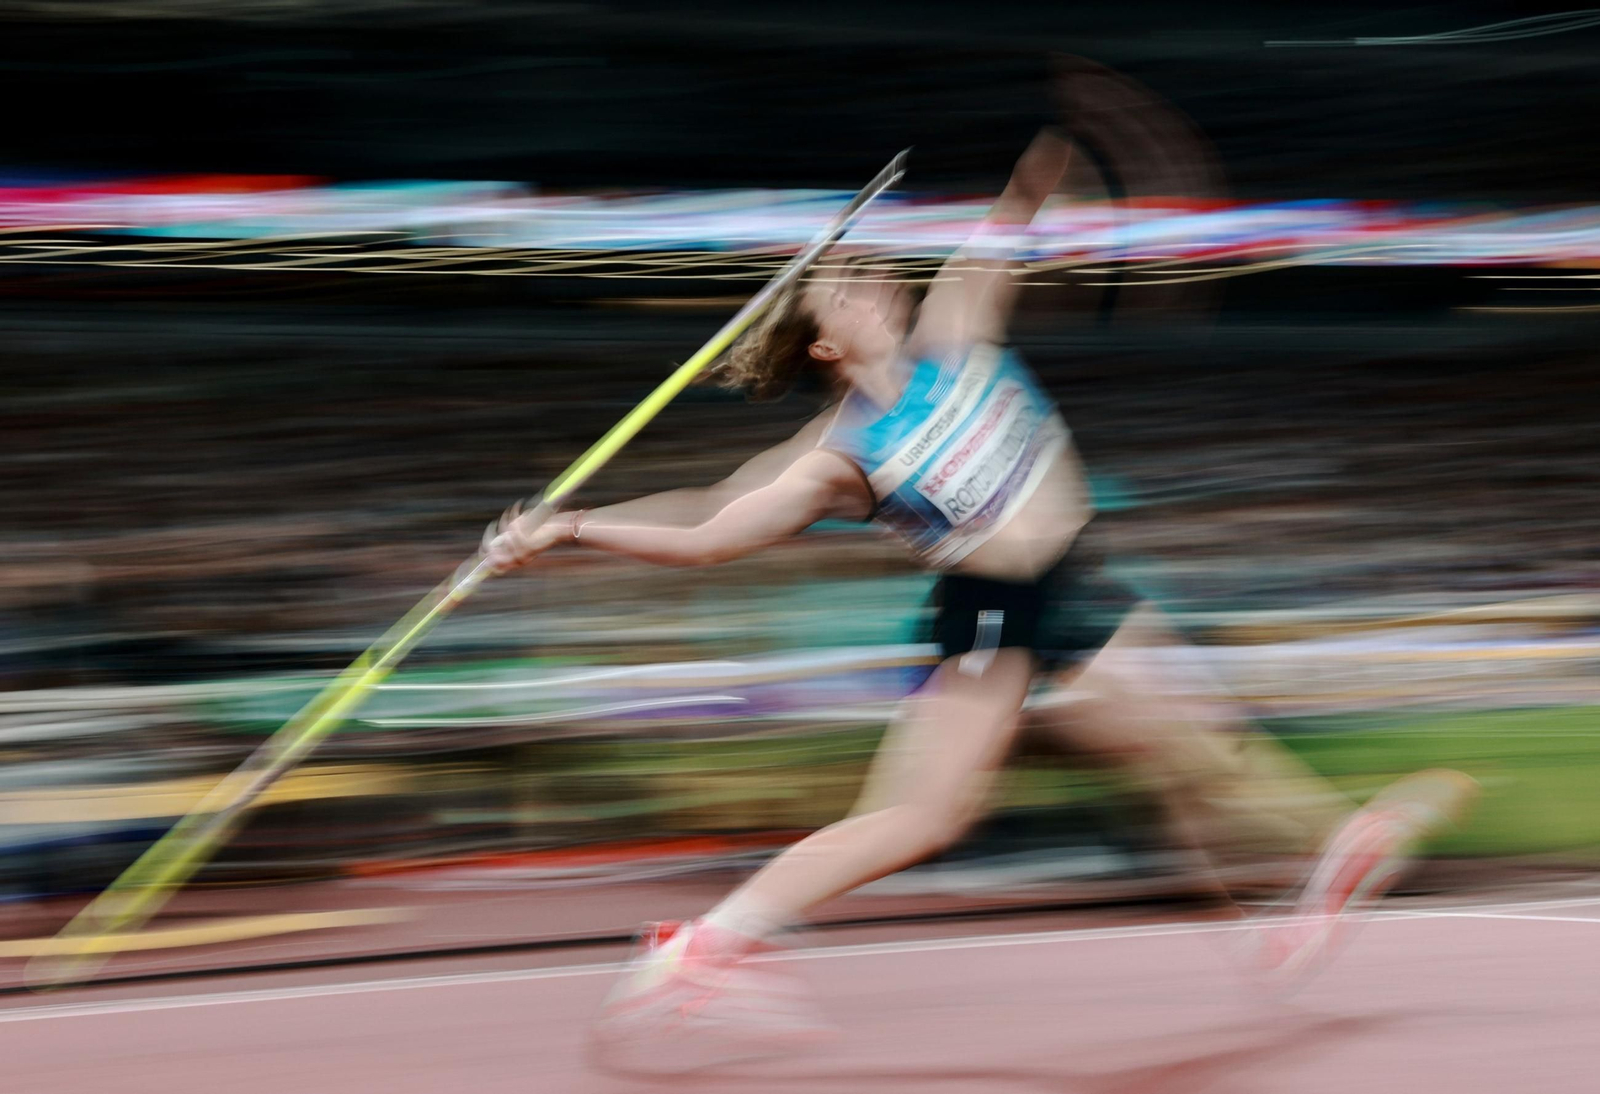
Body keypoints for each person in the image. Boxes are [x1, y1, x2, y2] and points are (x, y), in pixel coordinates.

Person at [482, 130, 1477, 1057]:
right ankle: (703, 943)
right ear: (824, 344)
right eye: (845, 286)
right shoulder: (836, 452)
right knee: (921, 817)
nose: (871, 281)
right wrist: (566, 527)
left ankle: (1320, 859)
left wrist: (1055, 154)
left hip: (1069, 583)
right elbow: (706, 526)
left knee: (1189, 736)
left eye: (867, 271)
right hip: (990, 609)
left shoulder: (957, 322)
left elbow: (1012, 214)